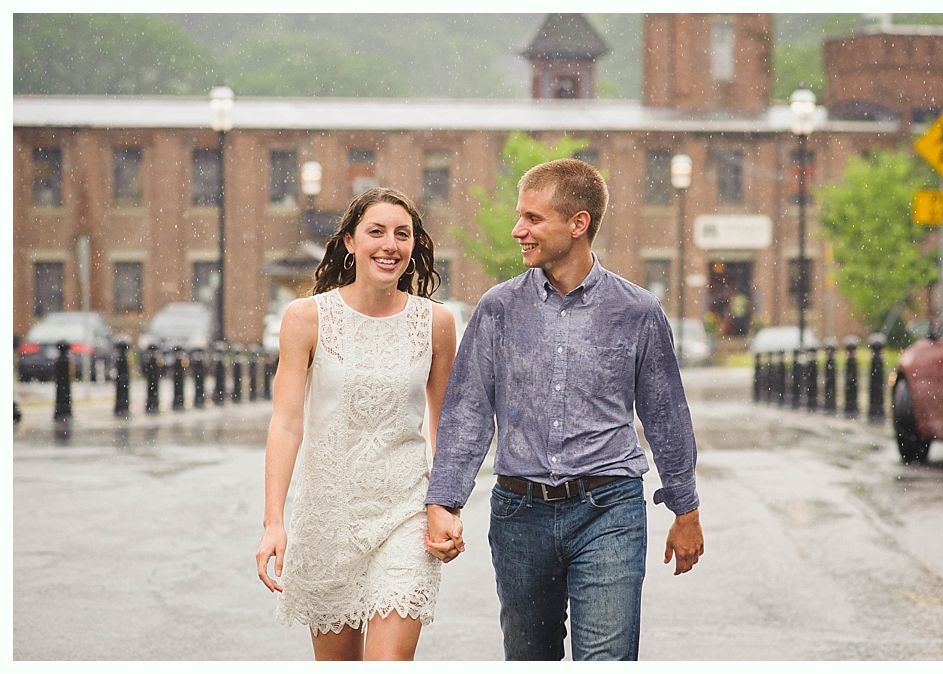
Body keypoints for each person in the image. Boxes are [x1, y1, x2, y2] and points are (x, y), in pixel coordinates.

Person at [424, 159, 704, 661]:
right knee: (531, 660)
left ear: (578, 224)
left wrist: (686, 509)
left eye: (533, 219)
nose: (518, 231)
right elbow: (467, 412)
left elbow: (665, 416)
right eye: (518, 217)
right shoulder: (498, 309)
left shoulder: (636, 311)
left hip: (609, 509)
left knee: (607, 662)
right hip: (519, 513)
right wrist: (444, 501)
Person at [256, 187, 456, 661]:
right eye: (377, 232)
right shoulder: (306, 318)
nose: (391, 244)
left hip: (405, 514)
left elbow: (444, 425)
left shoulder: (436, 323)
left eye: (402, 234)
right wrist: (273, 522)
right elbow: (286, 425)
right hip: (329, 516)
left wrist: (446, 505)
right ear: (349, 241)